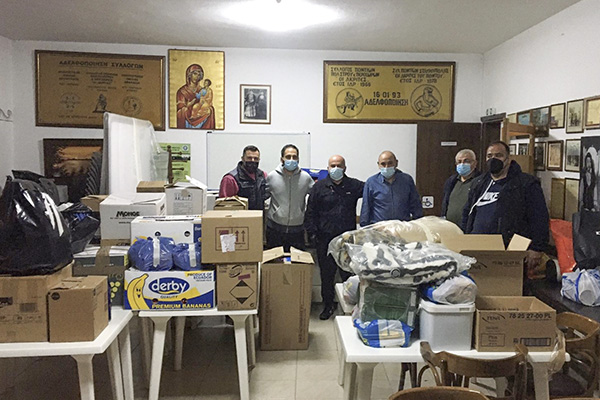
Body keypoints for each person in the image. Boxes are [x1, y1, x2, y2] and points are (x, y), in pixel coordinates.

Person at [463, 140, 549, 271]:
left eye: (498, 155)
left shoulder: (526, 184)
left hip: (509, 250)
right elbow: (468, 212)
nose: (493, 159)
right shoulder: (478, 183)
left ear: (508, 159)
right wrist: (464, 238)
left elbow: (539, 217)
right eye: (489, 156)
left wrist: (537, 248)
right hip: (477, 248)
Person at [305, 155, 364, 320]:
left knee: (349, 275)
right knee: (327, 275)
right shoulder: (319, 187)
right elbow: (310, 212)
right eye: (332, 165)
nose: (336, 168)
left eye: (339, 165)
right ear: (328, 168)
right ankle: (328, 306)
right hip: (325, 240)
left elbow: (373, 189)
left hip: (347, 241)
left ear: (345, 168)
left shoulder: (354, 185)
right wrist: (312, 234)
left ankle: (350, 306)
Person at [266, 144, 314, 251]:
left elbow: (316, 196)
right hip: (275, 229)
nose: (291, 160)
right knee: (274, 260)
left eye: (294, 157)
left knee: (297, 260)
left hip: (297, 230)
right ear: (282, 159)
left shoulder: (306, 178)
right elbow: (262, 195)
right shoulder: (272, 177)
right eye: (288, 157)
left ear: (298, 159)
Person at [360, 150, 423, 226]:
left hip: (402, 228)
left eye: (390, 163)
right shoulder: (371, 182)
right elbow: (366, 208)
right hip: (380, 229)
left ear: (396, 163)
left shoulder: (407, 180)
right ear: (378, 165)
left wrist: (419, 225)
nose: (386, 167)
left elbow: (415, 205)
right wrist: (364, 228)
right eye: (383, 164)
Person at [219, 145, 269, 211]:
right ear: (242, 158)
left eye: (256, 158)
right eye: (249, 158)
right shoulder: (230, 179)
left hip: (259, 215)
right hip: (239, 216)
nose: (253, 160)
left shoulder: (263, 176)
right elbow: (224, 207)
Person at [441, 149, 481, 228]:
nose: (462, 164)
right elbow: (445, 203)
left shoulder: (481, 181)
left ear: (475, 163)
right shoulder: (451, 181)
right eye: (459, 162)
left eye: (466, 161)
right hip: (450, 228)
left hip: (470, 228)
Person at [176, 64, 215, 129]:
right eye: (195, 74)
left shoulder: (203, 90)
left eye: (199, 75)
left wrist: (208, 109)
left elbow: (209, 104)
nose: (197, 76)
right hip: (187, 122)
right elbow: (179, 110)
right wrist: (188, 106)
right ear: (189, 75)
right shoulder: (182, 91)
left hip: (203, 120)